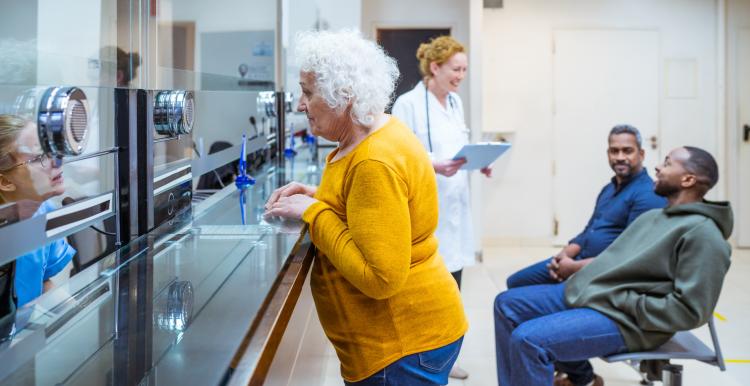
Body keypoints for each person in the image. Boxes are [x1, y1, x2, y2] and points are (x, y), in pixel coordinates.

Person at [264, 30, 467, 386]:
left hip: (402, 346)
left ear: (342, 96)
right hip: (416, 335)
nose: (300, 104)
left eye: (308, 93)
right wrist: (317, 195)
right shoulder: (382, 131)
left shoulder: (373, 160)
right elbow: (370, 206)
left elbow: (381, 278)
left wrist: (314, 212)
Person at [493, 146, 732, 386]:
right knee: (506, 304)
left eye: (668, 163)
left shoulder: (704, 235)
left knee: (529, 340)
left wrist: (623, 299)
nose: (658, 167)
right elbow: (614, 264)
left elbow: (689, 312)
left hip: (629, 321)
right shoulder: (654, 217)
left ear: (688, 179)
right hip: (598, 296)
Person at [392, 34, 489, 381]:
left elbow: (458, 148)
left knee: (454, 283)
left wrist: (478, 161)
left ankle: (446, 354)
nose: (461, 76)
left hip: (455, 203)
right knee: (431, 288)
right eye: (456, 69)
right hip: (427, 205)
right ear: (435, 67)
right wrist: (435, 164)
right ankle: (424, 356)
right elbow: (403, 154)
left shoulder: (455, 103)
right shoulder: (408, 104)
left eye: (464, 69)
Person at [506, 125, 666, 288]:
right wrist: (564, 256)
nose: (619, 157)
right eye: (614, 151)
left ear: (641, 154)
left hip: (601, 275)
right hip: (578, 260)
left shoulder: (647, 195)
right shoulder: (608, 189)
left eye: (627, 151)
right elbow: (588, 231)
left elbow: (628, 255)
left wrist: (573, 268)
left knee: (514, 300)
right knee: (515, 281)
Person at [0, 114, 76, 307]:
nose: (56, 161)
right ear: (5, 182)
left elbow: (41, 282)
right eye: (40, 157)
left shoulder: (43, 212)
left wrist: (79, 315)